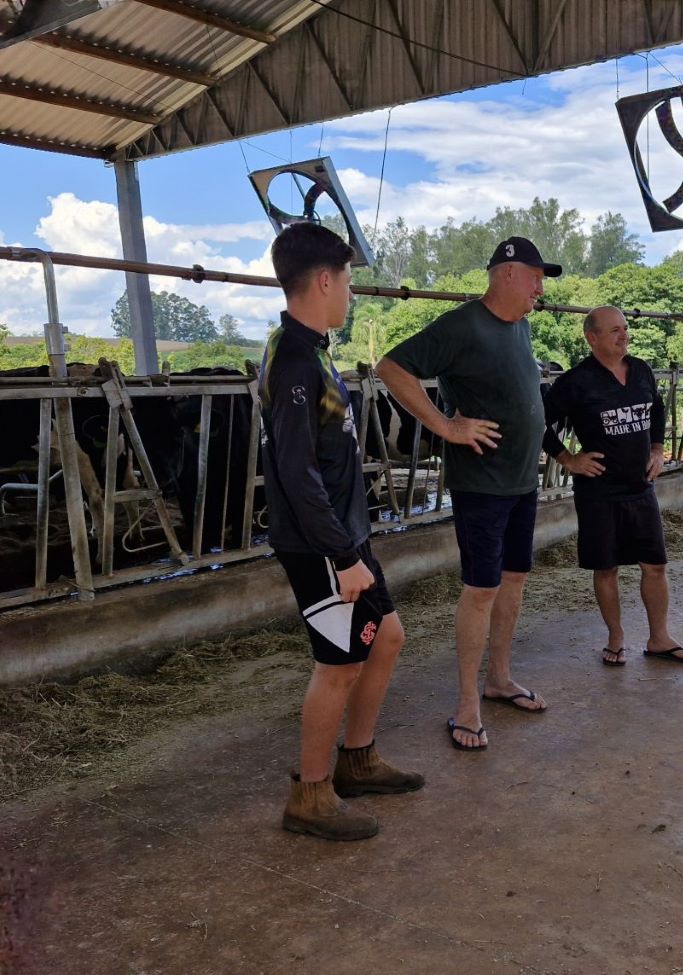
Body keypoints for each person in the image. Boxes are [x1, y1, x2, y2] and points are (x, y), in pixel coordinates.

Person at [260, 222, 423, 841]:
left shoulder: (306, 346)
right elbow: (297, 474)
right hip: (322, 544)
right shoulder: (297, 361)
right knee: (339, 664)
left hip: (344, 537)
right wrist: (343, 555)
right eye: (349, 281)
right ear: (324, 279)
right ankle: (310, 793)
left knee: (386, 639)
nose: (351, 293)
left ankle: (357, 761)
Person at [376, 237, 560, 751]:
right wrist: (445, 427)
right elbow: (391, 368)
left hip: (521, 481)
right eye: (535, 276)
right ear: (505, 273)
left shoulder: (520, 326)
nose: (540, 288)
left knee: (514, 580)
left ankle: (499, 679)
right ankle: (465, 703)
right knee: (481, 589)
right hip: (482, 484)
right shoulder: (463, 324)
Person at [541, 305, 683, 667]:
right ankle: (615, 637)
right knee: (606, 567)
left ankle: (659, 638)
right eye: (614, 330)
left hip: (641, 487)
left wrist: (657, 448)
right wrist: (568, 459)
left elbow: (656, 410)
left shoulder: (641, 370)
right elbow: (539, 422)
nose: (624, 335)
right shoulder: (576, 381)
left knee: (655, 564)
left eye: (625, 328)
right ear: (592, 337)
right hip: (599, 491)